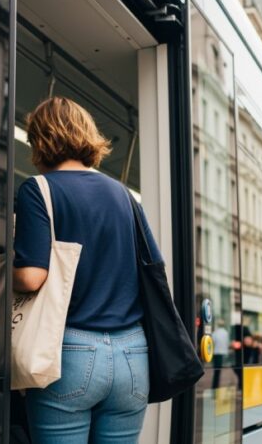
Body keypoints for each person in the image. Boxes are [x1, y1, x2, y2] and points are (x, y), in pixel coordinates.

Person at [13, 97, 162, 443]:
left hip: (71, 353)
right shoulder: (125, 196)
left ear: (41, 140)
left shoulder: (39, 190)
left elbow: (33, 276)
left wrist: (0, 272)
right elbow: (152, 269)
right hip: (133, 357)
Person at [211, 321, 231, 389]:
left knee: (216, 371)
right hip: (223, 353)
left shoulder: (215, 333)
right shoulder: (226, 333)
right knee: (222, 371)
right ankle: (218, 386)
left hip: (216, 353)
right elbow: (227, 343)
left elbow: (212, 342)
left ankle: (215, 386)